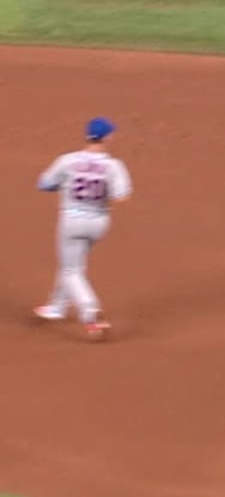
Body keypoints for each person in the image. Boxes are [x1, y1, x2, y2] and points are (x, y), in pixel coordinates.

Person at [34, 117, 133, 341]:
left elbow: (43, 183)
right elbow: (122, 197)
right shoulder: (114, 166)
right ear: (106, 138)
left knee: (71, 270)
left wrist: (61, 186)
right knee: (73, 265)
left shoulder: (67, 161)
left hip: (71, 222)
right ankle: (56, 307)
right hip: (98, 223)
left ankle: (90, 313)